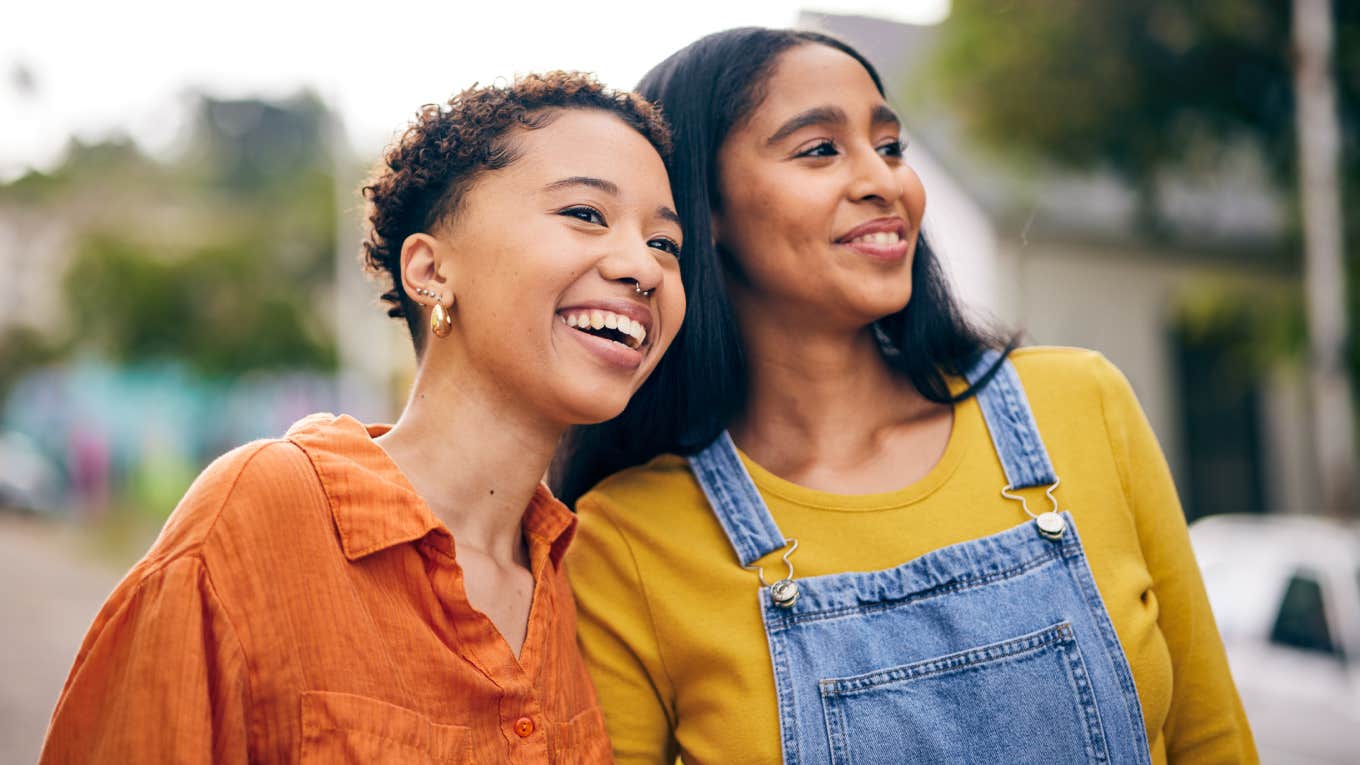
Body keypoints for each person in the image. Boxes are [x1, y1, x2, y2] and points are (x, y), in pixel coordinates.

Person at [556, 28, 1257, 765]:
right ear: (702, 208)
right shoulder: (626, 541)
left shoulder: (1082, 404)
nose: (885, 182)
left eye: (890, 147)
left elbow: (1214, 741)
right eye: (820, 149)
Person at [42, 71, 685, 764]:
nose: (642, 267)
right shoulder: (262, 514)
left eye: (665, 244)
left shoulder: (574, 585)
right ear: (429, 270)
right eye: (586, 214)